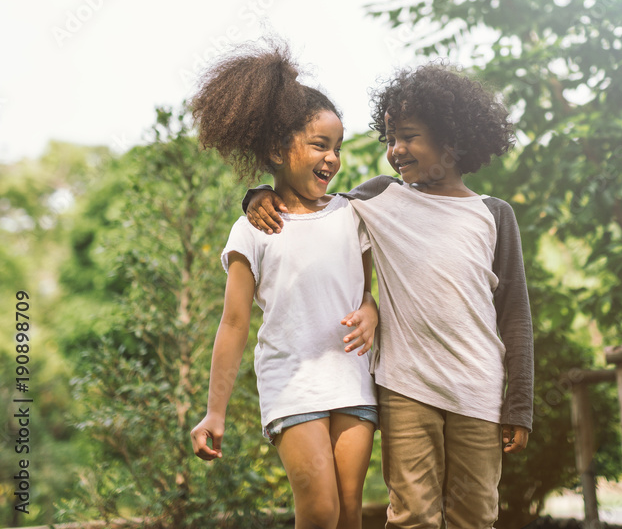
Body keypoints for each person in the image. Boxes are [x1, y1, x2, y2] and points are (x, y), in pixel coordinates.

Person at [245, 64, 534, 529]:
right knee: (413, 515)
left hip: (478, 392)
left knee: (475, 516)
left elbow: (515, 317)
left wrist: (518, 404)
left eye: (409, 137)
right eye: (390, 138)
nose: (395, 150)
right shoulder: (379, 198)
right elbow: (311, 202)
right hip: (406, 390)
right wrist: (258, 194)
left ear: (452, 139)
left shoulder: (494, 215)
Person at [187, 38, 379, 529]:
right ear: (277, 149)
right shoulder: (252, 227)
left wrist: (372, 309)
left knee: (351, 511)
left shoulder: (353, 214)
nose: (332, 158)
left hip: (352, 379)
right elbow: (232, 325)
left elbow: (368, 290)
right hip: (290, 384)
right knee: (319, 509)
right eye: (320, 145)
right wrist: (215, 413)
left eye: (337, 147)